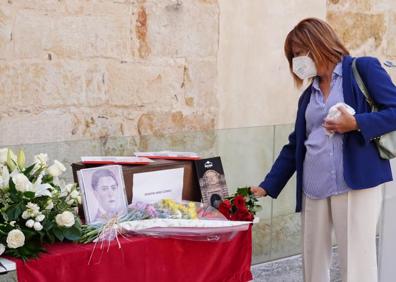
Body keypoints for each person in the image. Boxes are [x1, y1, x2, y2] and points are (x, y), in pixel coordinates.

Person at [250, 18, 396, 282]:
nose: (296, 61)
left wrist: (357, 123)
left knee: (357, 266)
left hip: (355, 184)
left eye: (298, 52)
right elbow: (296, 144)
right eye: (292, 56)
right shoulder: (309, 95)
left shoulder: (362, 69)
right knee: (313, 264)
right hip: (314, 188)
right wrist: (267, 186)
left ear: (318, 44)